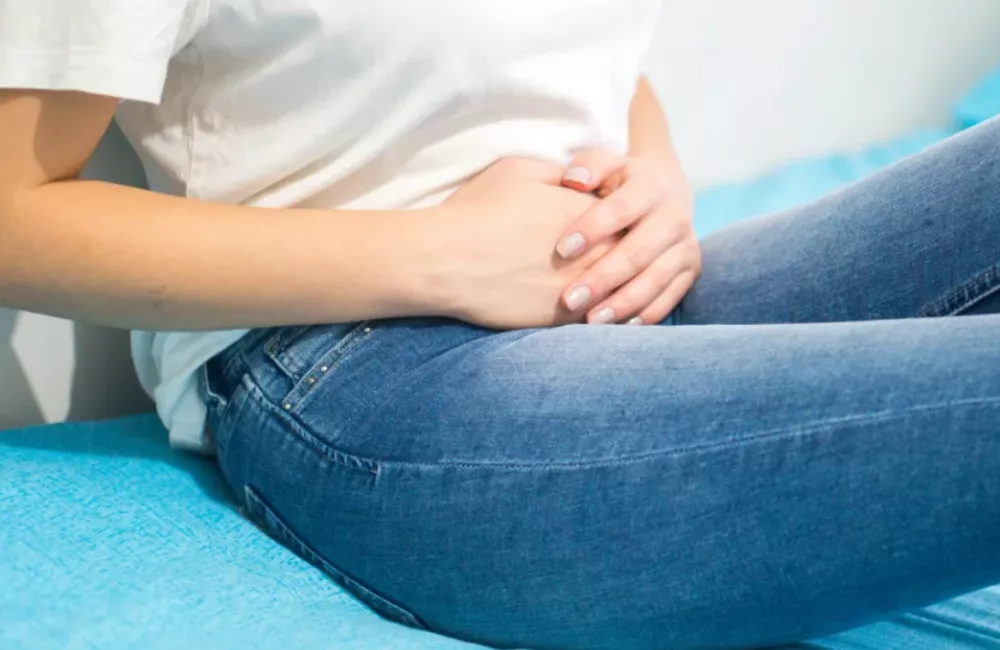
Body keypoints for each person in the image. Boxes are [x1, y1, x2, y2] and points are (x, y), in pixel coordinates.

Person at [1, 1, 999, 648]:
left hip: (591, 290)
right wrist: (442, 255)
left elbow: (553, 63)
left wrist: (648, 176)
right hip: (347, 368)